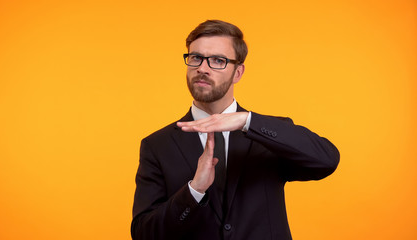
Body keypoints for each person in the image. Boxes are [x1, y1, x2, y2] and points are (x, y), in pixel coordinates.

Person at [131, 19, 340, 240]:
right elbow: (144, 233)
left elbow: (326, 160)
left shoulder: (268, 133)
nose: (202, 68)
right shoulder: (157, 145)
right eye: (195, 58)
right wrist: (194, 191)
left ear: (238, 73)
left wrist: (247, 122)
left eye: (218, 60)